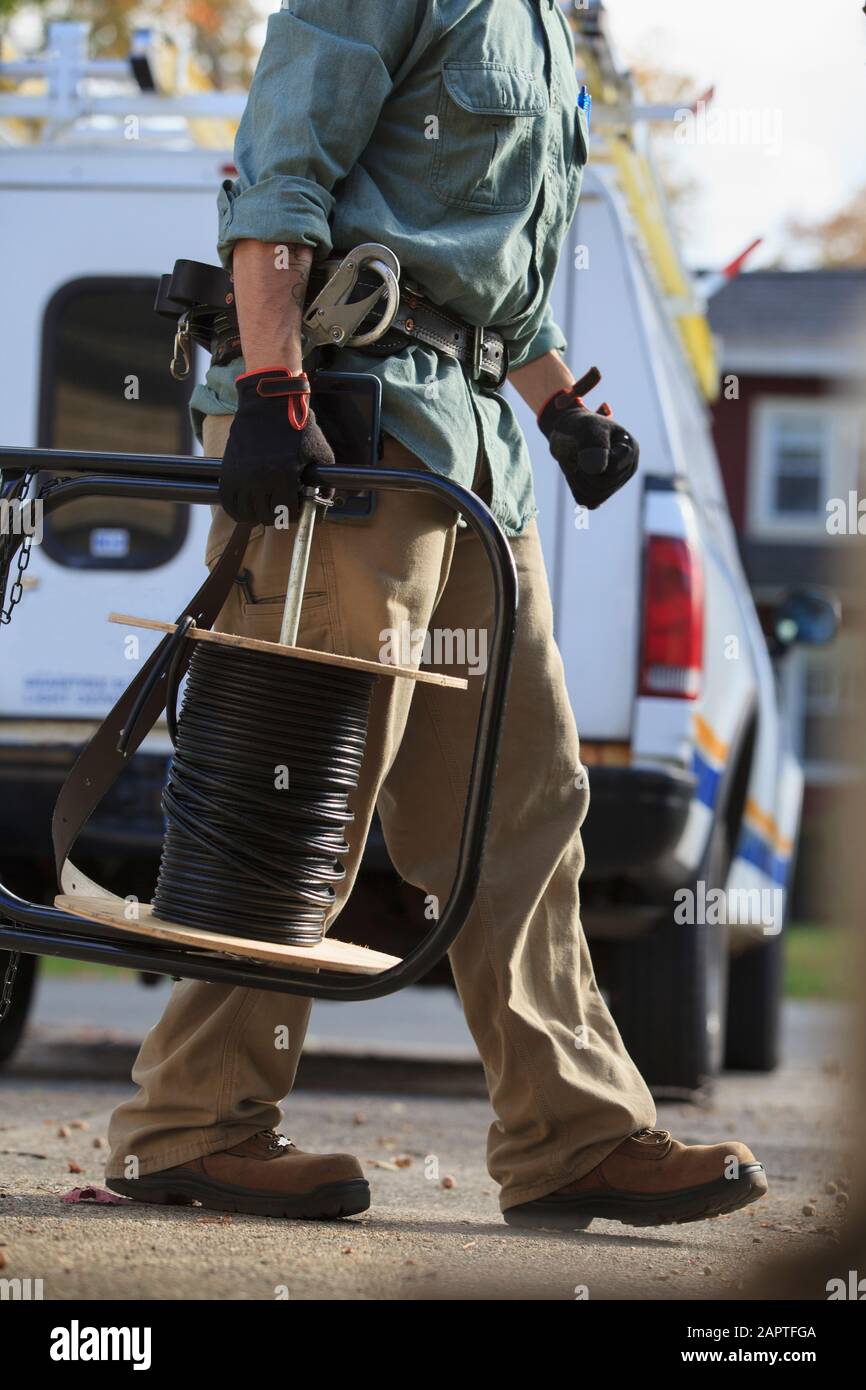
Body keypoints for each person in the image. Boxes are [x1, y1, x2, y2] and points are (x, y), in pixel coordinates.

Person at [106, 0, 767, 1229]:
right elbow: (278, 171)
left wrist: (558, 401)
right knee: (296, 788)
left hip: (466, 443)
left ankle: (572, 1133)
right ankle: (190, 1123)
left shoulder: (543, 26)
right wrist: (265, 388)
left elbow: (487, 278)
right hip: (342, 422)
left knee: (524, 800)